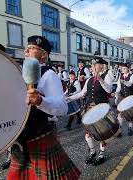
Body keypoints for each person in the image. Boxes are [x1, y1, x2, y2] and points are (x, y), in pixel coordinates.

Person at [7, 36, 80, 179]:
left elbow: (62, 108)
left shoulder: (49, 74)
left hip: (39, 135)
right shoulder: (18, 73)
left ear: (43, 56)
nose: (27, 51)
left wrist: (41, 101)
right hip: (20, 139)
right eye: (27, 48)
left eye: (33, 48)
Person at [68, 57, 113, 166]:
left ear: (101, 66)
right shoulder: (89, 80)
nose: (92, 67)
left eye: (95, 65)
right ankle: (93, 151)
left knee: (102, 134)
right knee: (88, 135)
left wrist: (100, 79)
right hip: (89, 110)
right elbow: (82, 94)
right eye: (92, 65)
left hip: (101, 109)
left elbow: (109, 90)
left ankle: (101, 154)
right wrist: (69, 98)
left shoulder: (107, 76)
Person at [115, 63, 133, 136]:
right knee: (120, 113)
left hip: (129, 97)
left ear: (128, 69)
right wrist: (116, 92)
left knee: (129, 113)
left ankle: (130, 128)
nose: (123, 70)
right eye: (122, 69)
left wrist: (123, 81)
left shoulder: (131, 75)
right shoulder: (120, 76)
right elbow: (119, 87)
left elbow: (129, 84)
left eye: (124, 68)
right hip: (122, 97)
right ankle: (119, 130)